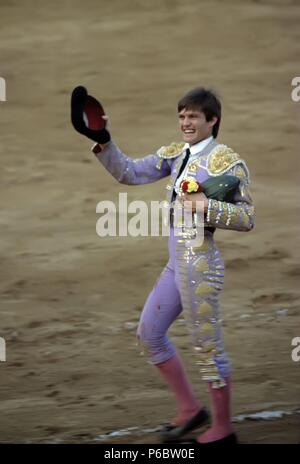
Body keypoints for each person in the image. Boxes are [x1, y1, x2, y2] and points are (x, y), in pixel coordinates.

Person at [71, 86, 255, 444]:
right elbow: (128, 173)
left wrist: (205, 206)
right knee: (149, 334)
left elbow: (247, 217)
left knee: (207, 346)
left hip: (201, 264)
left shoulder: (227, 162)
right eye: (182, 116)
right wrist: (104, 140)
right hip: (177, 263)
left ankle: (223, 428)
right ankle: (189, 409)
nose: (186, 123)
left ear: (212, 120)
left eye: (193, 117)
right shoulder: (175, 154)